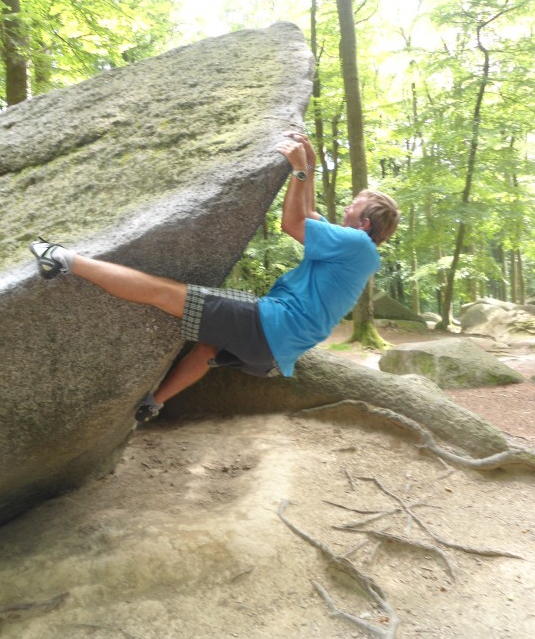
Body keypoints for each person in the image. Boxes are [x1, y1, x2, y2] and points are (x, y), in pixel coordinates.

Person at [29, 133, 400, 422]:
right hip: (273, 353)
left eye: (354, 205)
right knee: (207, 348)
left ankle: (61, 259)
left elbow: (292, 222)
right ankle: (152, 404)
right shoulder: (356, 250)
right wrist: (309, 169)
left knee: (163, 292)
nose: (347, 205)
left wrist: (298, 170)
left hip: (272, 324)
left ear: (364, 222)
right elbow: (307, 212)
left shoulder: (354, 243)